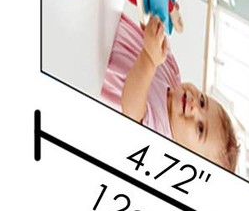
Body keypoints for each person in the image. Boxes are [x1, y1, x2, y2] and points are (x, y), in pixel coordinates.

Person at [101, 13, 241, 174]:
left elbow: (131, 110)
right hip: (106, 17)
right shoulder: (172, 73)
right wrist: (160, 17)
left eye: (200, 128)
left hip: (92, 53)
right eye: (203, 102)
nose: (195, 107)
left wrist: (149, 58)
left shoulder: (159, 131)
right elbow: (148, 31)